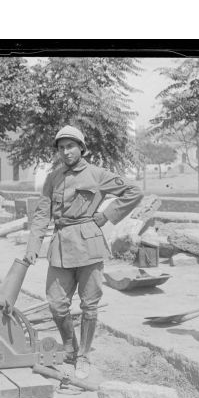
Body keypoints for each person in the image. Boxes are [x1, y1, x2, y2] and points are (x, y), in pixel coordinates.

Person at [24, 126, 143, 378]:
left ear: (81, 147)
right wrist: (33, 245)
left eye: (70, 146)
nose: (66, 151)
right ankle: (70, 346)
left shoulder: (97, 174)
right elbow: (42, 213)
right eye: (61, 147)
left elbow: (134, 191)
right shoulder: (53, 177)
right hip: (60, 246)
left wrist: (107, 216)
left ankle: (84, 356)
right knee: (56, 303)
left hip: (89, 244)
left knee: (89, 305)